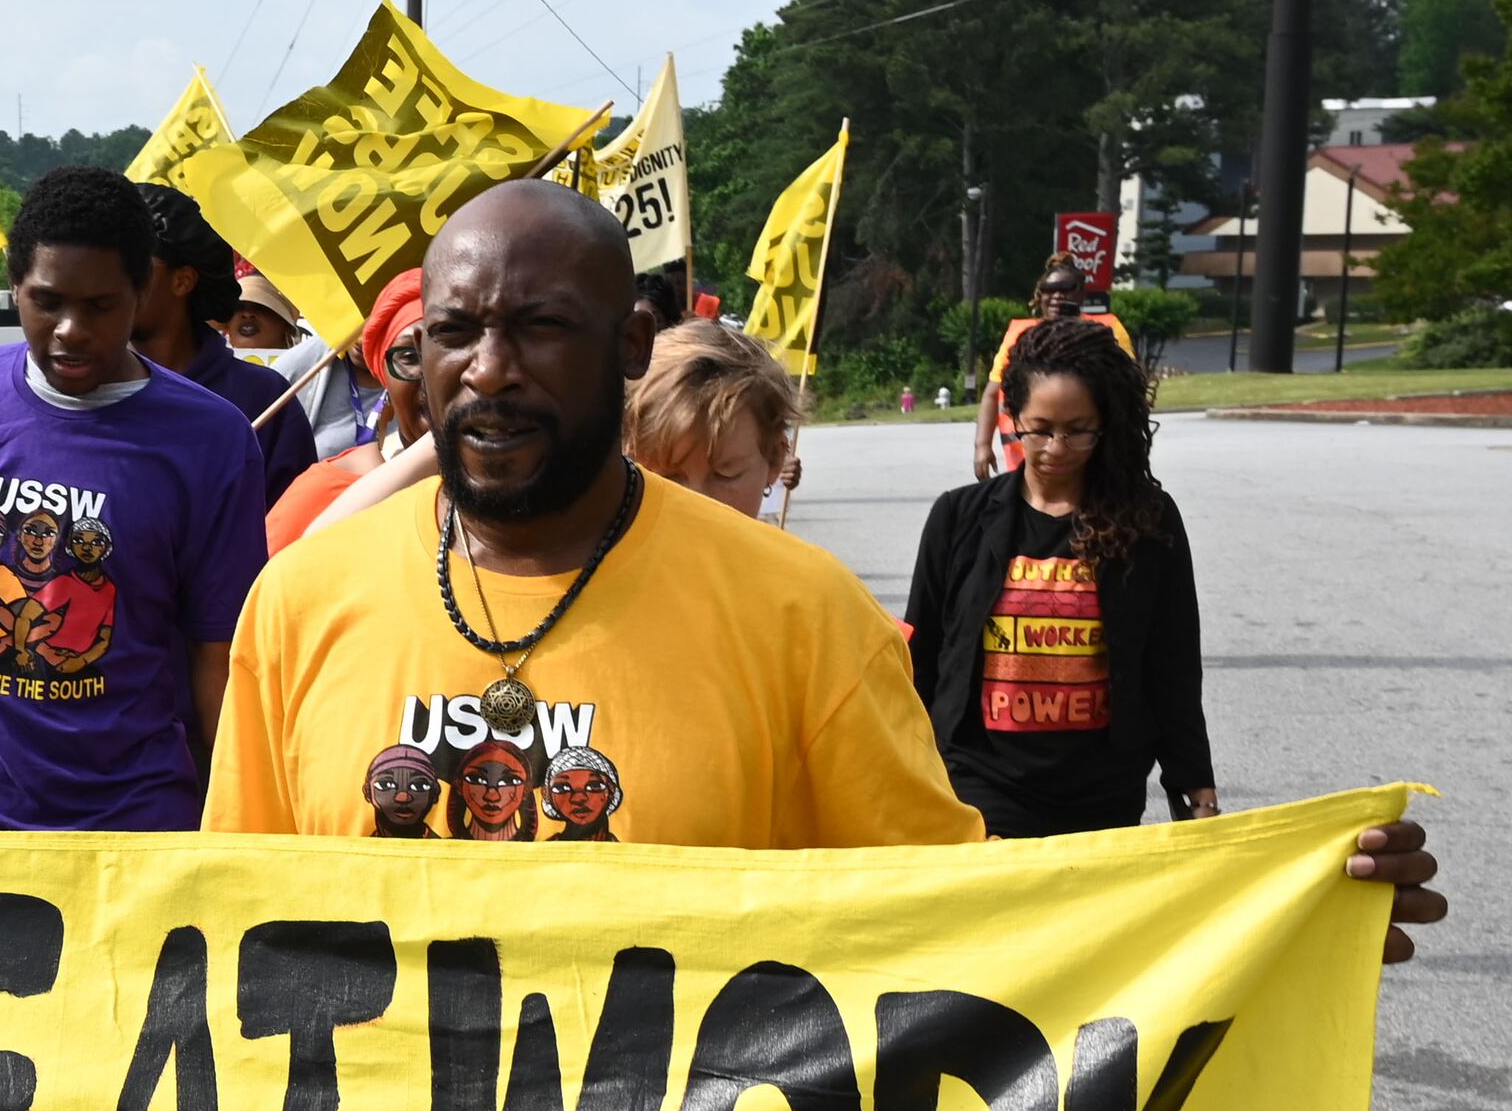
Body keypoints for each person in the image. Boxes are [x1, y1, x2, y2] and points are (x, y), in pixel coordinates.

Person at [205, 183, 1441, 958]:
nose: (487, 369)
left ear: (631, 343)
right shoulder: (302, 602)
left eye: (538, 327)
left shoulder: (799, 617)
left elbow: (966, 926)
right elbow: (223, 940)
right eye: (456, 333)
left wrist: (1268, 915)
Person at [0, 166, 263, 832]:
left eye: (100, 306)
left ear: (143, 292)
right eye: (47, 301)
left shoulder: (211, 439)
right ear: (13, 285)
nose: (70, 330)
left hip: (133, 836)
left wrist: (233, 835)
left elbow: (219, 661)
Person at [908, 318, 1219, 838]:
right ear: (1013, 420)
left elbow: (1173, 664)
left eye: (1078, 430)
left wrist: (1195, 780)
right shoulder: (957, 517)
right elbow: (920, 657)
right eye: (1040, 429)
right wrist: (910, 768)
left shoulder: (1147, 521)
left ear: (1107, 422)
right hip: (979, 783)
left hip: (1102, 791)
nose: (1056, 447)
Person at [132, 182, 305, 505]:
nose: (113, 280)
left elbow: (292, 527)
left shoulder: (265, 399)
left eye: (135, 267)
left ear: (182, 280)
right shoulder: (81, 386)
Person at [266, 269, 434, 551]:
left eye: (451, 349)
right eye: (409, 357)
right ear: (385, 380)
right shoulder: (326, 486)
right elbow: (285, 573)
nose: (432, 374)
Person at [972, 256, 1137, 480]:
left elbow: (1132, 391)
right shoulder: (1019, 336)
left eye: (1066, 288)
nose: (1057, 296)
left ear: (1081, 292)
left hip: (1091, 457)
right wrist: (982, 445)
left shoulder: (1105, 331)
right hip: (1028, 462)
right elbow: (992, 395)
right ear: (1039, 295)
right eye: (1049, 289)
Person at [624, 319, 804, 523]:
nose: (698, 502)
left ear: (775, 459)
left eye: (725, 474)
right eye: (666, 477)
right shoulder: (602, 553)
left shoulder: (789, 556)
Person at [222, 258, 374, 459]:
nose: (248, 314)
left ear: (285, 324)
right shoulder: (288, 372)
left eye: (261, 308)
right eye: (238, 308)